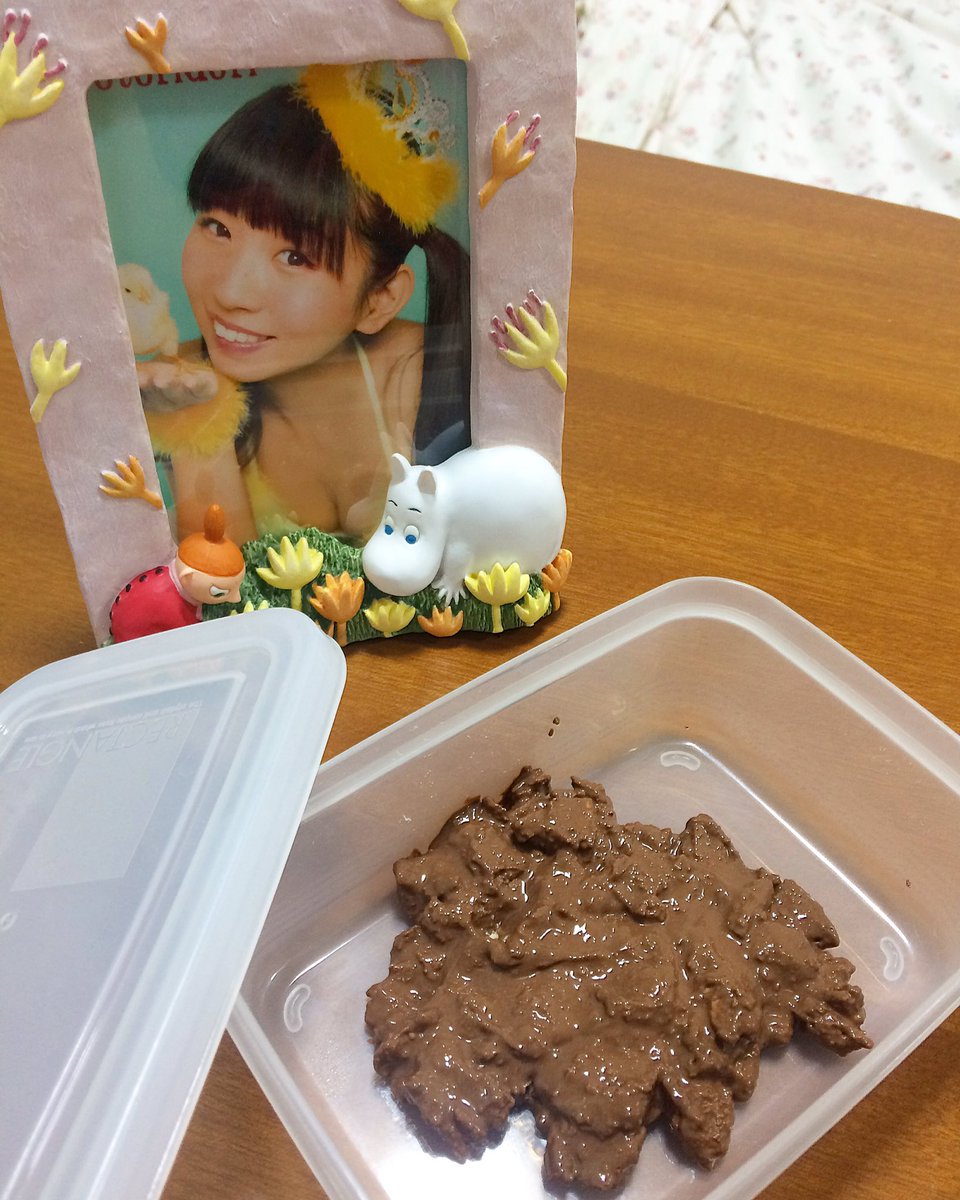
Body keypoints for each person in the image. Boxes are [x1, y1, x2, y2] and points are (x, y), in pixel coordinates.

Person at [139, 62, 471, 545]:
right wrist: (195, 429)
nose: (230, 294)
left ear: (379, 299)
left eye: (295, 257)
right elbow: (219, 580)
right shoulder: (185, 383)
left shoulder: (430, 378)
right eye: (218, 227)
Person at [110, 504, 246, 642]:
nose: (237, 599)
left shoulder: (181, 586)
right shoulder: (174, 604)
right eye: (218, 592)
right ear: (187, 577)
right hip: (133, 639)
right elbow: (186, 636)